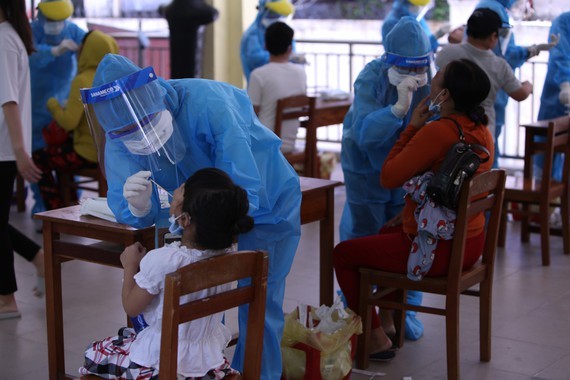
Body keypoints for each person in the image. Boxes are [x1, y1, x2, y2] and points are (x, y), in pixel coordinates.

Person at [80, 54, 301, 379]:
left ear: (157, 98)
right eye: (128, 133)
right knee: (202, 307)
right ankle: (212, 370)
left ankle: (255, 374)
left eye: (144, 124)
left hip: (266, 200)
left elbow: (240, 188)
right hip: (197, 218)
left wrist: (198, 237)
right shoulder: (120, 137)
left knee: (260, 304)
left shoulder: (208, 103)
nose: (140, 136)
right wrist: (139, 208)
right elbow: (128, 205)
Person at [334, 58, 494, 361]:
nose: (429, 80)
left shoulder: (439, 131)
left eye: (437, 77)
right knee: (388, 230)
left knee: (344, 254)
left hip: (437, 250)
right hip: (470, 243)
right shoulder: (481, 130)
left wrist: (411, 128)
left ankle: (374, 335)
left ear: (444, 95)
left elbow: (389, 176)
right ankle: (391, 323)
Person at [79, 168, 254, 379]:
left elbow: (131, 307)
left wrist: (129, 266)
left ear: (184, 219)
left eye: (179, 191)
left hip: (161, 362)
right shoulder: (231, 257)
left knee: (96, 354)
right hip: (208, 361)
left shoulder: (164, 260)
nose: (174, 192)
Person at [340, 16, 432, 342]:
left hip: (406, 167)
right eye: (406, 68)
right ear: (389, 60)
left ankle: (400, 311)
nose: (415, 76)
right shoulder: (371, 78)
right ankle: (362, 317)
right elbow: (365, 134)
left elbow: (433, 124)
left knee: (404, 237)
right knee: (364, 239)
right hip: (365, 167)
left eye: (420, 68)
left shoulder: (427, 77)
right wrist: (396, 110)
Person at [32, 30, 118, 210]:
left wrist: (53, 104)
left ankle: (55, 208)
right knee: (62, 155)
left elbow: (68, 122)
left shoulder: (82, 80)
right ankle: (69, 202)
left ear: (87, 51)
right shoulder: (116, 78)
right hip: (113, 155)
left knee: (38, 159)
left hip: (87, 154)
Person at [0, 0, 45, 319]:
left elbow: (9, 101)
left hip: (3, 148)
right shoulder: (10, 36)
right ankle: (37, 257)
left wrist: (18, 153)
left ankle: (6, 298)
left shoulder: (3, 39)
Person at [474, 0, 558, 167]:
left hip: (478, 109)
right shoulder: (496, 63)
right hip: (486, 111)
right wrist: (527, 83)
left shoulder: (452, 54)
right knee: (485, 155)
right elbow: (520, 91)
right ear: (493, 36)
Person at [436, 7, 532, 152]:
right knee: (482, 172)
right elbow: (520, 94)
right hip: (481, 135)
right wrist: (527, 85)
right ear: (493, 37)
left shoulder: (446, 53)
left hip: (447, 129)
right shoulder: (499, 65)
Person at [28, 0, 86, 215]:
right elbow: (28, 55)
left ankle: (70, 205)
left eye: (60, 20)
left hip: (64, 101)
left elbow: (89, 48)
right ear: (40, 14)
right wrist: (53, 51)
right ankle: (43, 207)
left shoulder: (72, 30)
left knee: (65, 149)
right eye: (52, 20)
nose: (57, 25)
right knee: (36, 153)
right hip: (36, 102)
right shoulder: (31, 31)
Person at [247, 21, 307, 153]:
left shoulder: (258, 75)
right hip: (289, 145)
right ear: (290, 48)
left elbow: (250, 114)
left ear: (265, 46)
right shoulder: (301, 72)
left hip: (264, 144)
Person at [536, 12, 570, 182]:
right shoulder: (564, 22)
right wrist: (565, 84)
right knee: (547, 151)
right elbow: (560, 56)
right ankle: (544, 202)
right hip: (558, 97)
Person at [240, 0, 295, 82]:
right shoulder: (253, 34)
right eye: (272, 14)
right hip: (262, 82)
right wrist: (282, 57)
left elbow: (291, 48)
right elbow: (255, 59)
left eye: (279, 16)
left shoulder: (281, 31)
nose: (276, 18)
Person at [381, 0, 449, 54]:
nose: (419, 8)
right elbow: (408, 52)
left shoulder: (418, 18)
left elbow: (429, 48)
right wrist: (434, 37)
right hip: (403, 69)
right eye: (416, 5)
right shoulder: (391, 23)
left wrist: (434, 38)